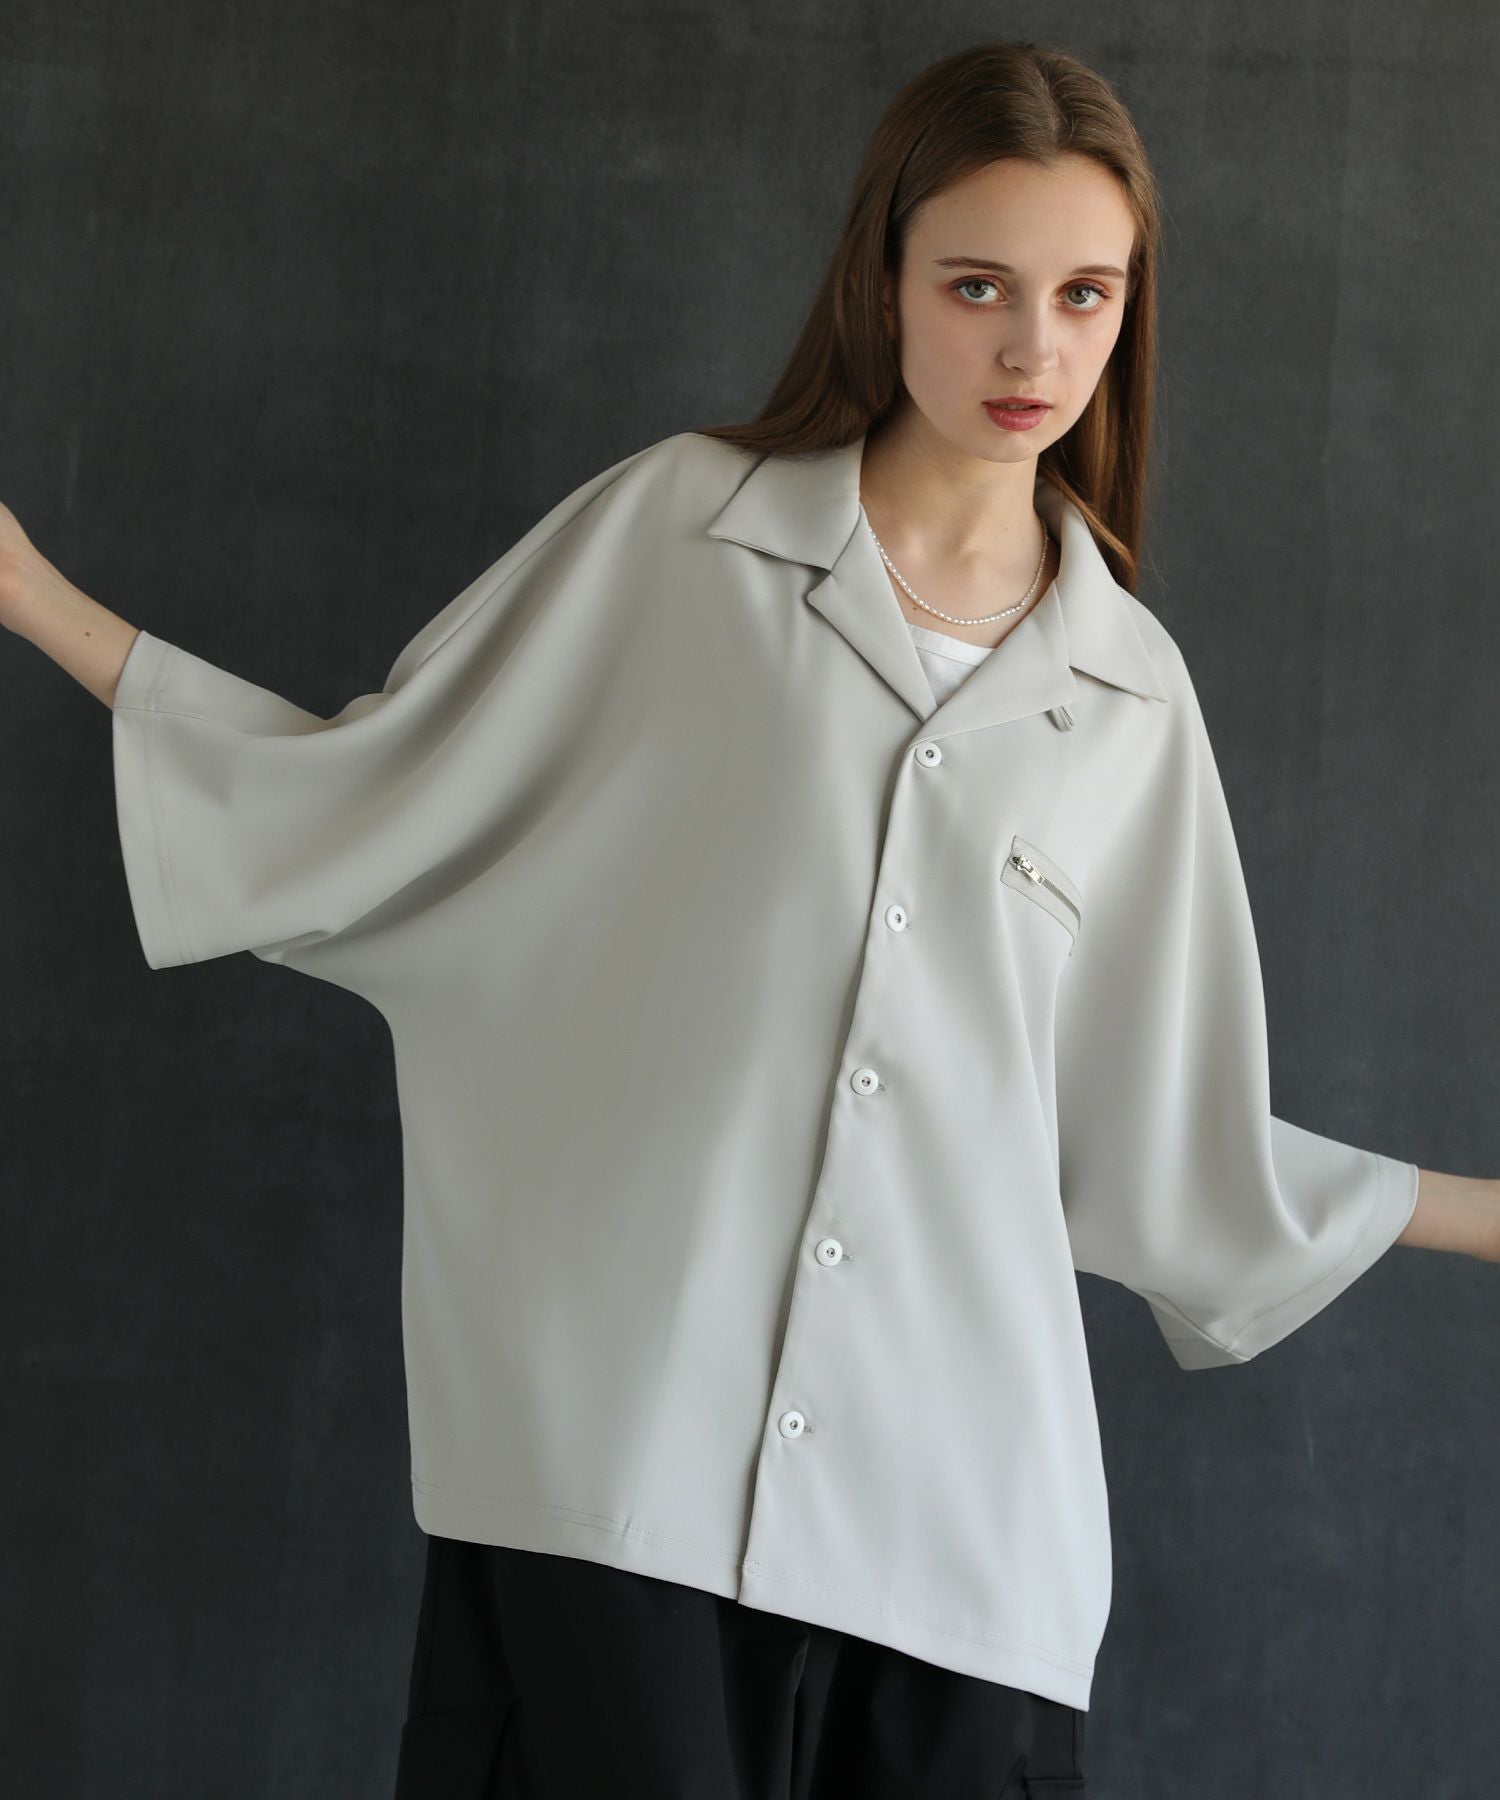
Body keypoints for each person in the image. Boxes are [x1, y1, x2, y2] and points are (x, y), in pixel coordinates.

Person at [3, 36, 1496, 1800]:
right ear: (885, 282)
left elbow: (1166, 1147)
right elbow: (371, 800)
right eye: (979, 286)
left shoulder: (1131, 699)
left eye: (1085, 295)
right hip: (622, 1467)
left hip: (961, 1539)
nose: (1034, 350)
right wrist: (37, 599)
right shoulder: (680, 536)